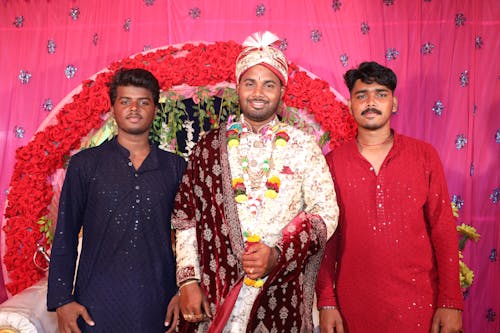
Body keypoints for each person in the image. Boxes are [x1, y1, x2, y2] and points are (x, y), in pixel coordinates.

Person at [172, 31, 339, 332]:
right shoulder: (208, 147)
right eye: (250, 83)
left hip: (280, 293)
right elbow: (186, 217)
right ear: (237, 87)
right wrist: (188, 280)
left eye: (269, 84)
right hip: (215, 296)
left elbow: (325, 213)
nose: (258, 92)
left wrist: (278, 253)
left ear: (282, 91)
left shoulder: (303, 146)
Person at [315, 61, 463, 333]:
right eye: (361, 95)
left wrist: (451, 302)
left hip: (419, 306)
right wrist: (326, 303)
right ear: (350, 105)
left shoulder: (424, 156)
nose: (371, 102)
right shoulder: (332, 164)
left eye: (381, 94)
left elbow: (443, 230)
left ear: (393, 104)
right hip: (353, 309)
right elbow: (327, 239)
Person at [47, 68, 186, 332]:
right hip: (96, 305)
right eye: (125, 101)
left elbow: (190, 236)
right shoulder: (85, 164)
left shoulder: (174, 167)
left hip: (157, 303)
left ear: (155, 109)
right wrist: (62, 299)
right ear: (113, 108)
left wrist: (184, 290)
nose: (134, 108)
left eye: (143, 102)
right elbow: (64, 234)